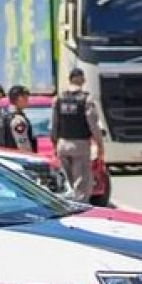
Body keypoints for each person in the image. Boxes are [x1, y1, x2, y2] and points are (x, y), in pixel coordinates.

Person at [51, 67, 104, 202]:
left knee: (66, 182)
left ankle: (66, 204)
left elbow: (54, 124)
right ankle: (79, 209)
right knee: (81, 182)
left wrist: (54, 144)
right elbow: (93, 124)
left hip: (62, 144)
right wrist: (99, 144)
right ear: (81, 79)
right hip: (80, 145)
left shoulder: (59, 98)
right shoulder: (86, 99)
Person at [0, 85, 35, 153]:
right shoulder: (18, 121)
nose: (27, 101)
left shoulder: (5, 115)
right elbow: (24, 147)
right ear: (20, 98)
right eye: (26, 98)